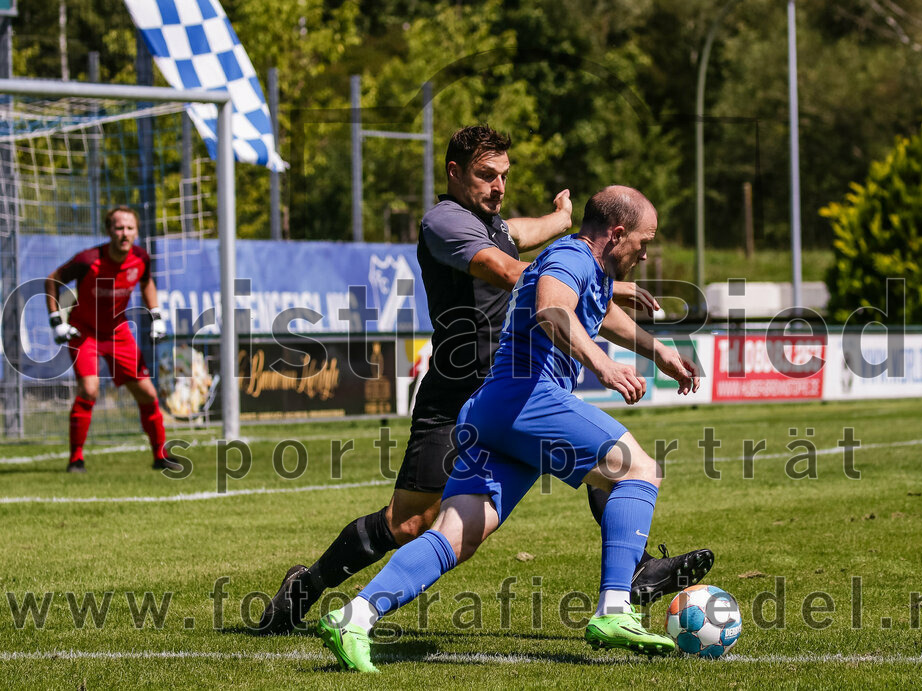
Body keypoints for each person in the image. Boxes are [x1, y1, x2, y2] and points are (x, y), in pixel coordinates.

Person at [257, 127, 712, 634]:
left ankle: (631, 574)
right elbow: (510, 270)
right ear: (454, 173)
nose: (498, 187)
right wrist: (594, 270)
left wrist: (567, 229)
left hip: (508, 391)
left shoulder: (499, 227)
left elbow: (534, 239)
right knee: (409, 522)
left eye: (504, 176)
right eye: (486, 175)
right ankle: (309, 586)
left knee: (603, 467)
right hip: (459, 392)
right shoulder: (445, 221)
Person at [44, 206, 180, 473]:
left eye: (130, 228)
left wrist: (157, 316)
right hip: (84, 331)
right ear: (109, 231)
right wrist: (56, 321)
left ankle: (160, 457)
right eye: (119, 228)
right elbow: (52, 280)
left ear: (136, 232)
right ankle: (76, 460)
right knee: (90, 389)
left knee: (147, 393)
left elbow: (147, 282)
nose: (124, 233)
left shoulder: (141, 257)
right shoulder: (87, 260)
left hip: (118, 332)